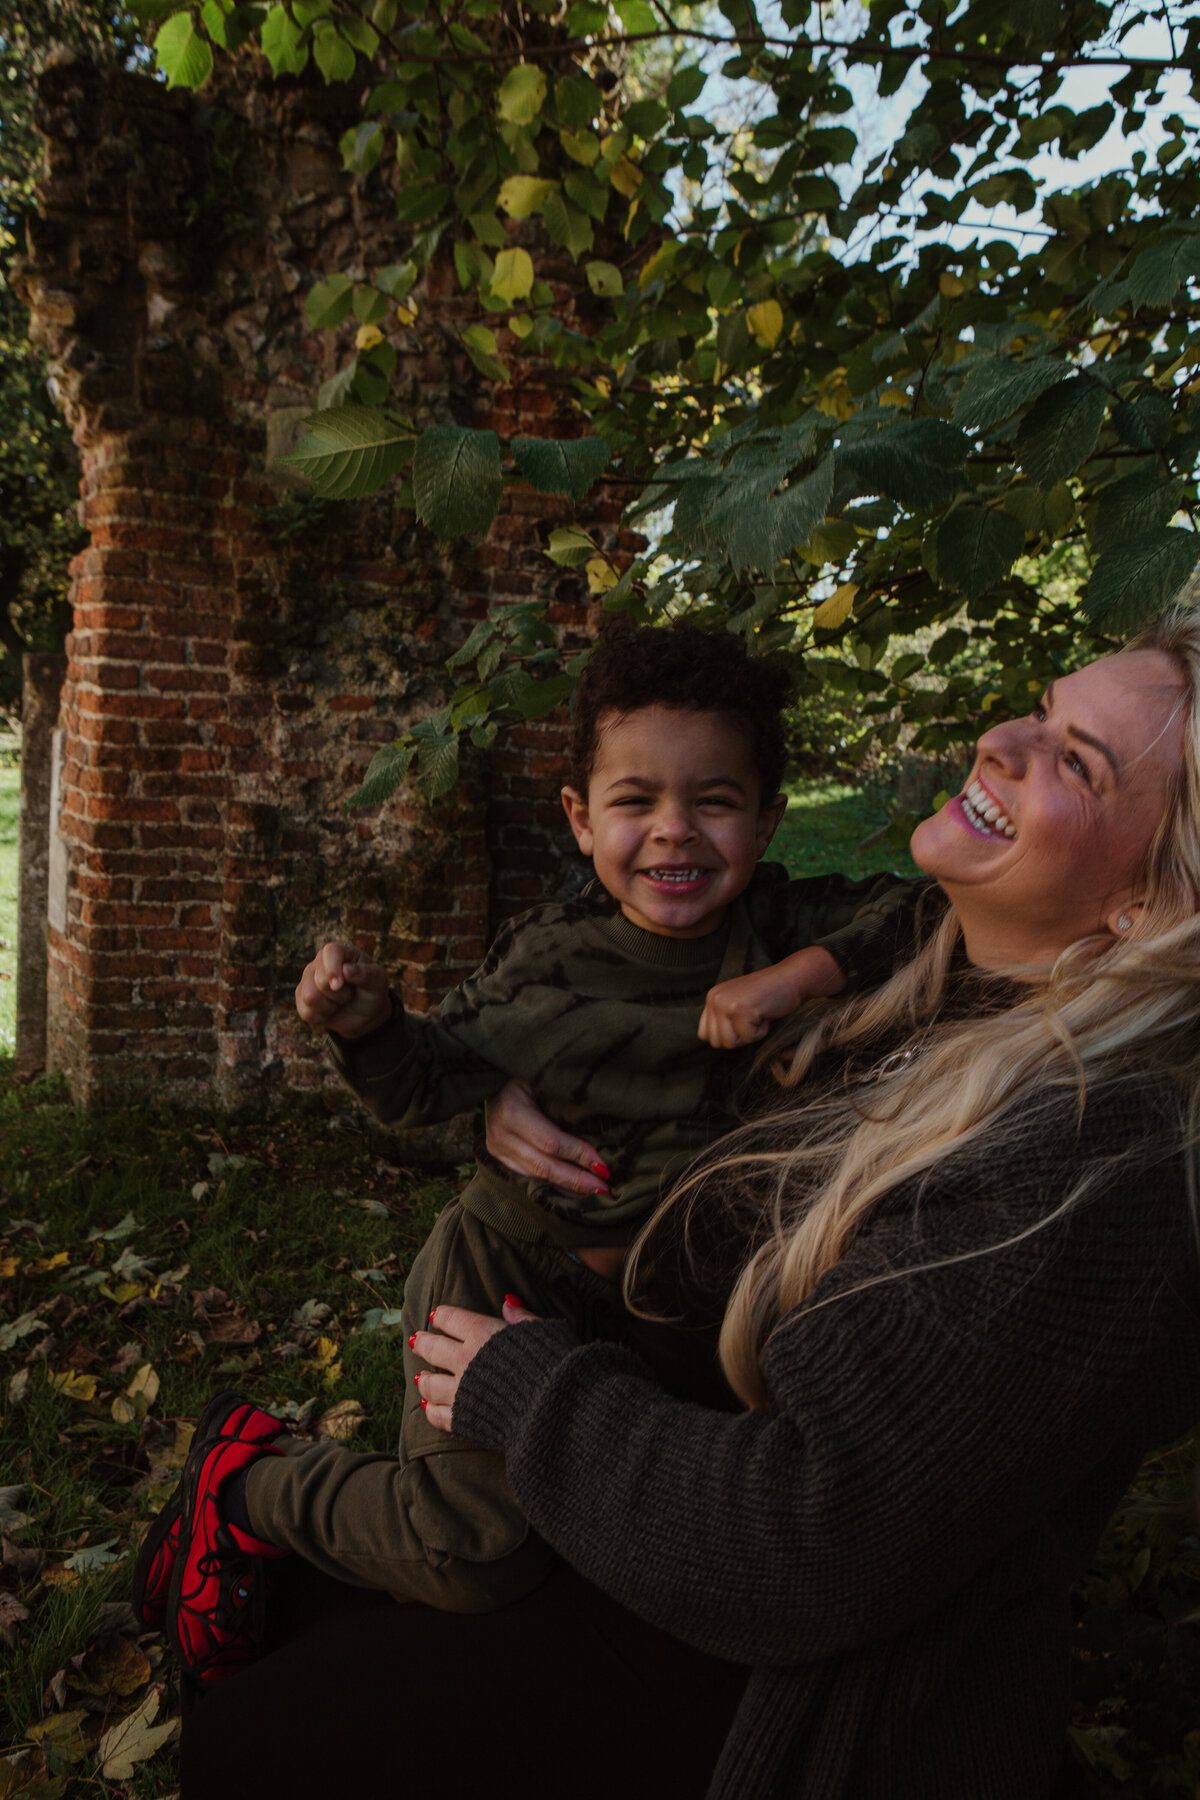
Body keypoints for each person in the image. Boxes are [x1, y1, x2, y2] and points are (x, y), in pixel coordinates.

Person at [180, 606, 1200, 1800]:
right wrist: (492, 1105)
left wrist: (545, 1396)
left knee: (290, 1728)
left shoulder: (1086, 1170)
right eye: (1037, 708)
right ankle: (265, 1505)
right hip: (619, 1393)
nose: (1000, 741)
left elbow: (823, 1544)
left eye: (1075, 759)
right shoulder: (959, 971)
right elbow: (502, 1050)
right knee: (306, 1668)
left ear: (1151, 901)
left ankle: (260, 1489)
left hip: (789, 1645)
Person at [137, 621, 920, 1677]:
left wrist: (799, 979)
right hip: (509, 1277)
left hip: (662, 1317)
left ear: (770, 816)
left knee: (619, 1544)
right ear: (579, 817)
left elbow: (936, 910)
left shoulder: (780, 929)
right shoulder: (549, 963)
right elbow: (426, 1079)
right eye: (635, 801)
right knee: (475, 1553)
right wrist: (365, 1024)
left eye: (716, 801)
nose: (675, 833)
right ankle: (249, 1481)